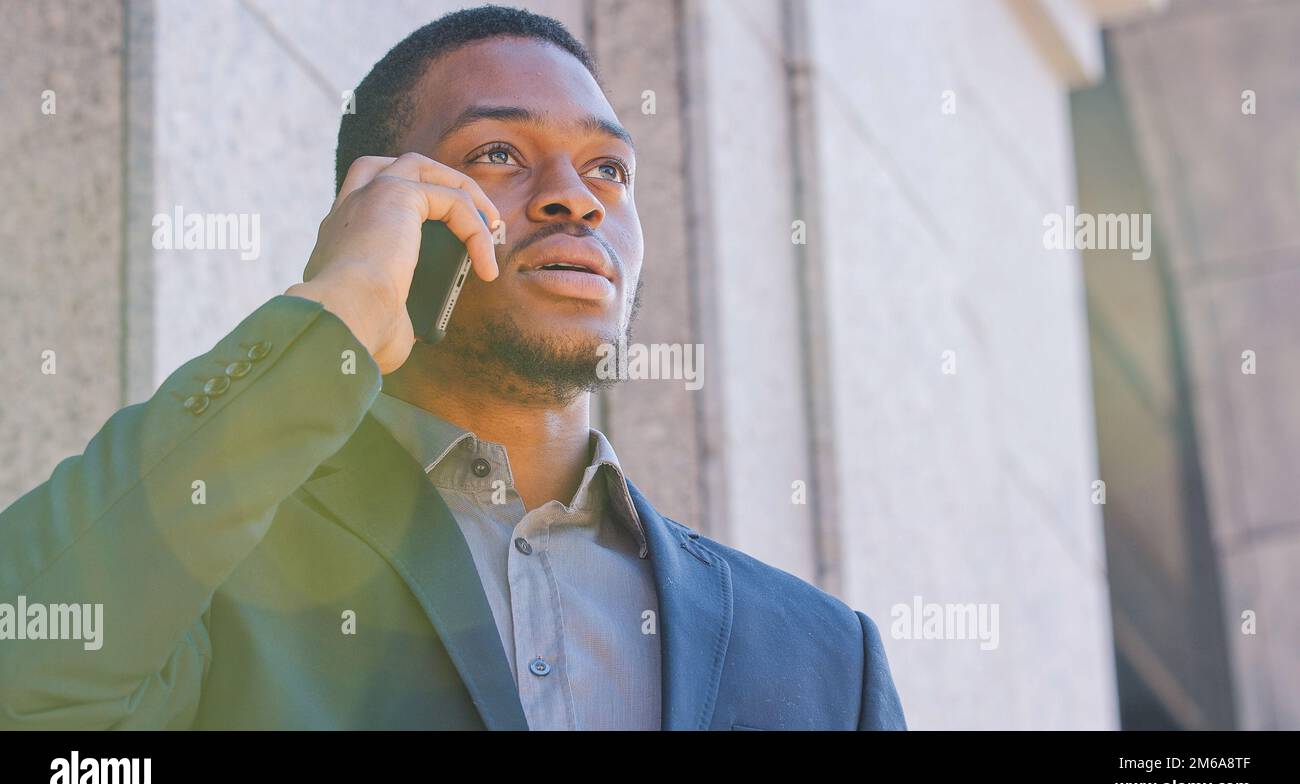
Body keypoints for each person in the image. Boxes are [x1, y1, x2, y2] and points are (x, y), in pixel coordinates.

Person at [0, 4, 905, 730]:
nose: (577, 198)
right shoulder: (215, 560)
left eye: (609, 169)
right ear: (385, 207)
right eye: (498, 154)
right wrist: (335, 312)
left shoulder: (825, 660)